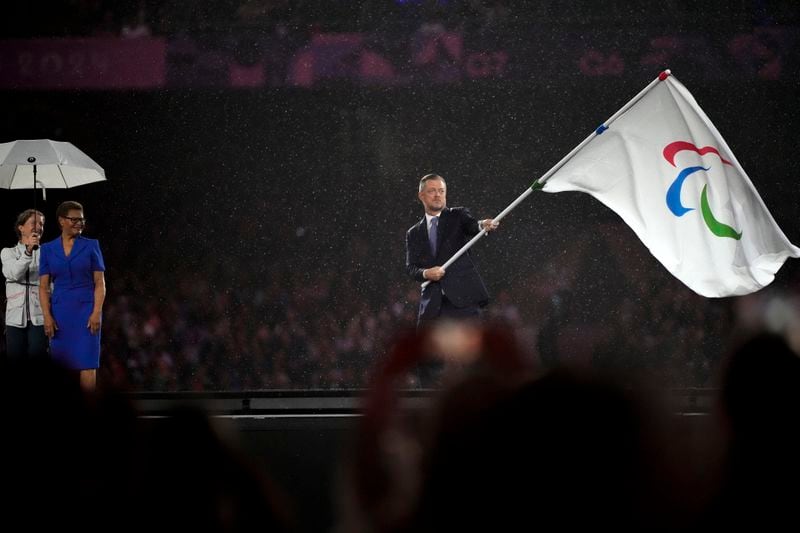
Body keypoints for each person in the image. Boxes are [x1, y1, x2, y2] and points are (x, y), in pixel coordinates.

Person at [405, 173, 498, 327]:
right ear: (421, 195)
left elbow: (473, 225)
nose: (437, 195)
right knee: (425, 351)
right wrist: (426, 273)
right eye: (432, 191)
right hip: (432, 308)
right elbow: (411, 268)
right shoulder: (413, 233)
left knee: (469, 350)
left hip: (464, 302)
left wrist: (483, 225)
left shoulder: (458, 216)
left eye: (441, 191)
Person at [39, 201, 106, 391]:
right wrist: (47, 316)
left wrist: (96, 312)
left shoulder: (92, 246)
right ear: (61, 221)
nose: (80, 223)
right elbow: (43, 287)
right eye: (74, 219)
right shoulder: (47, 249)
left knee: (87, 363)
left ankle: (88, 412)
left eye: (82, 219)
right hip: (60, 314)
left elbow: (100, 282)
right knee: (61, 367)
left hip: (87, 311)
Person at [2, 209, 47, 361]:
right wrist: (28, 251)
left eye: (41, 223)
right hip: (15, 318)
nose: (39, 226)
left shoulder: (46, 253)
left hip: (40, 316)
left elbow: (50, 283)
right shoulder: (8, 252)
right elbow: (14, 273)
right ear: (21, 227)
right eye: (34, 222)